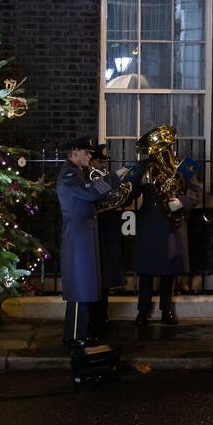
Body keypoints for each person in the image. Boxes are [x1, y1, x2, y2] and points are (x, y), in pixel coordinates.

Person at [130, 147, 202, 326]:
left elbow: (195, 190)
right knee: (145, 270)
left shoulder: (181, 165)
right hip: (149, 220)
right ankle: (143, 310)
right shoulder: (144, 166)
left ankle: (167, 310)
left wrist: (182, 202)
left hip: (171, 220)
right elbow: (132, 190)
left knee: (169, 269)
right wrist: (135, 178)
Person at [55, 136, 113, 350]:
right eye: (86, 152)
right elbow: (88, 194)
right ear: (75, 153)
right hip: (78, 235)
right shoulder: (70, 174)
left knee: (86, 284)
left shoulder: (78, 173)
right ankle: (74, 337)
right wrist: (113, 179)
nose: (90, 156)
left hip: (83, 234)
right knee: (80, 286)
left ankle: (80, 332)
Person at [90, 143, 131, 334]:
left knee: (106, 277)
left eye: (103, 161)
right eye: (99, 161)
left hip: (109, 227)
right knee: (97, 276)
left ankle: (102, 315)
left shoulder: (100, 177)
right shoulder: (90, 177)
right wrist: (114, 179)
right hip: (97, 228)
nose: (102, 165)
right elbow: (100, 193)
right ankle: (96, 317)